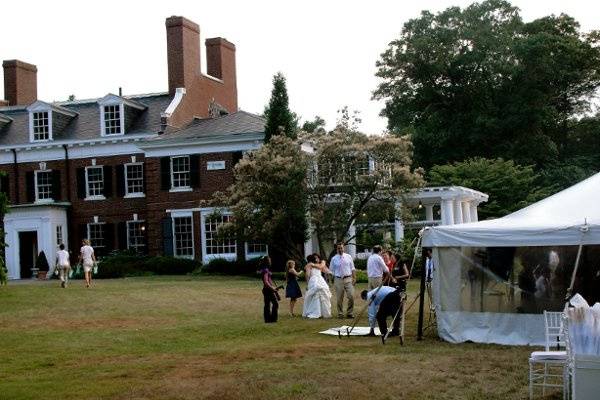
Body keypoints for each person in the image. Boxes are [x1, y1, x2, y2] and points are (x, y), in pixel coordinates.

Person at [329, 242, 356, 319]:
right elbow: (331, 271)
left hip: (348, 278)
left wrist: (354, 278)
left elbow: (352, 268)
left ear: (344, 248)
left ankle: (349, 313)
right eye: (338, 248)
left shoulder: (348, 257)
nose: (340, 249)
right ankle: (340, 313)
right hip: (338, 279)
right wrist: (330, 281)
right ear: (336, 249)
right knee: (339, 298)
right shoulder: (334, 259)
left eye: (341, 248)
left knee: (351, 296)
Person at [302, 253, 332, 319]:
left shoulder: (319, 265)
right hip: (314, 280)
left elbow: (326, 271)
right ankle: (315, 311)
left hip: (320, 279)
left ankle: (323, 312)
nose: (317, 259)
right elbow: (307, 275)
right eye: (315, 258)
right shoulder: (310, 264)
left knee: (323, 294)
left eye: (318, 257)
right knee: (315, 295)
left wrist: (331, 273)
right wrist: (307, 283)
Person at [260, 256, 279, 323]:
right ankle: (273, 319)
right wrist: (272, 288)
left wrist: (273, 286)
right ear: (267, 262)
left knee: (267, 304)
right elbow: (266, 281)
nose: (270, 261)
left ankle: (268, 319)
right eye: (269, 260)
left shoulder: (265, 269)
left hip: (266, 289)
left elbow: (268, 280)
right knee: (275, 304)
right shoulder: (265, 270)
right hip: (268, 289)